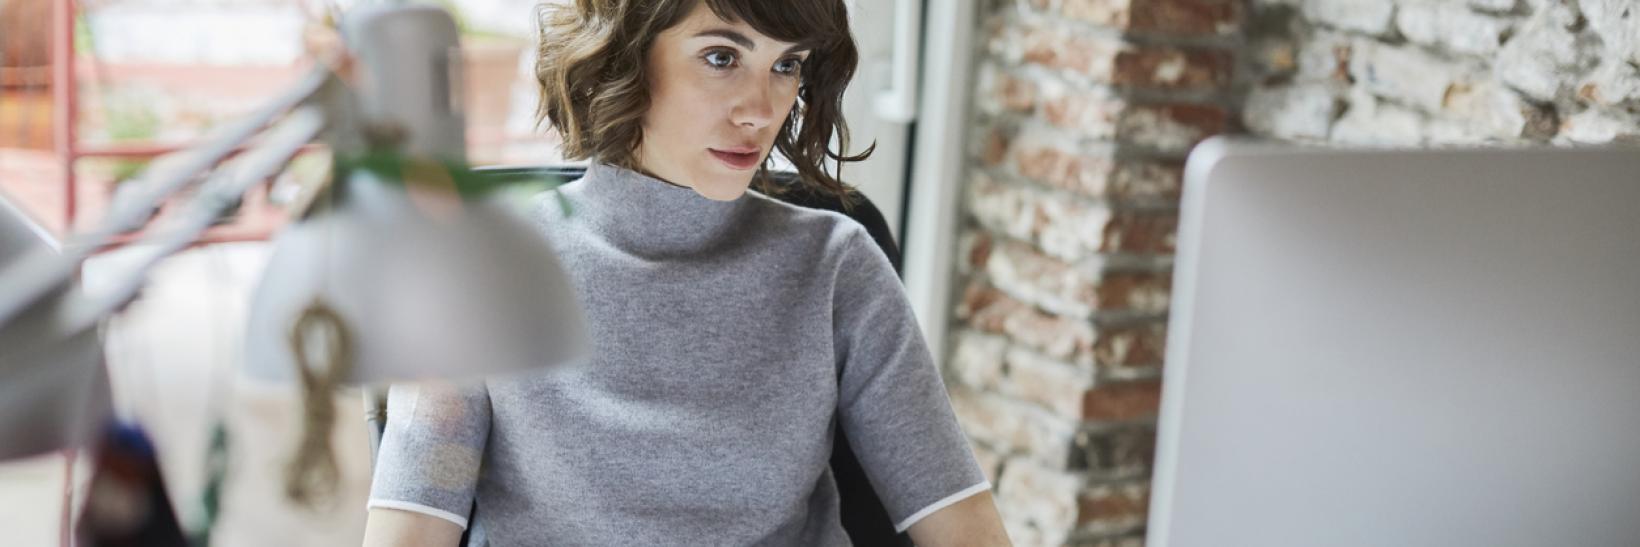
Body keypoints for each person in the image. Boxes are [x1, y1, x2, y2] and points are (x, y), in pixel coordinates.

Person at [362, 1, 1011, 545]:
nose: (762, 109)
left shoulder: (835, 266)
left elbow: (961, 520)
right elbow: (414, 518)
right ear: (624, 57)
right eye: (722, 57)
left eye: (786, 65)